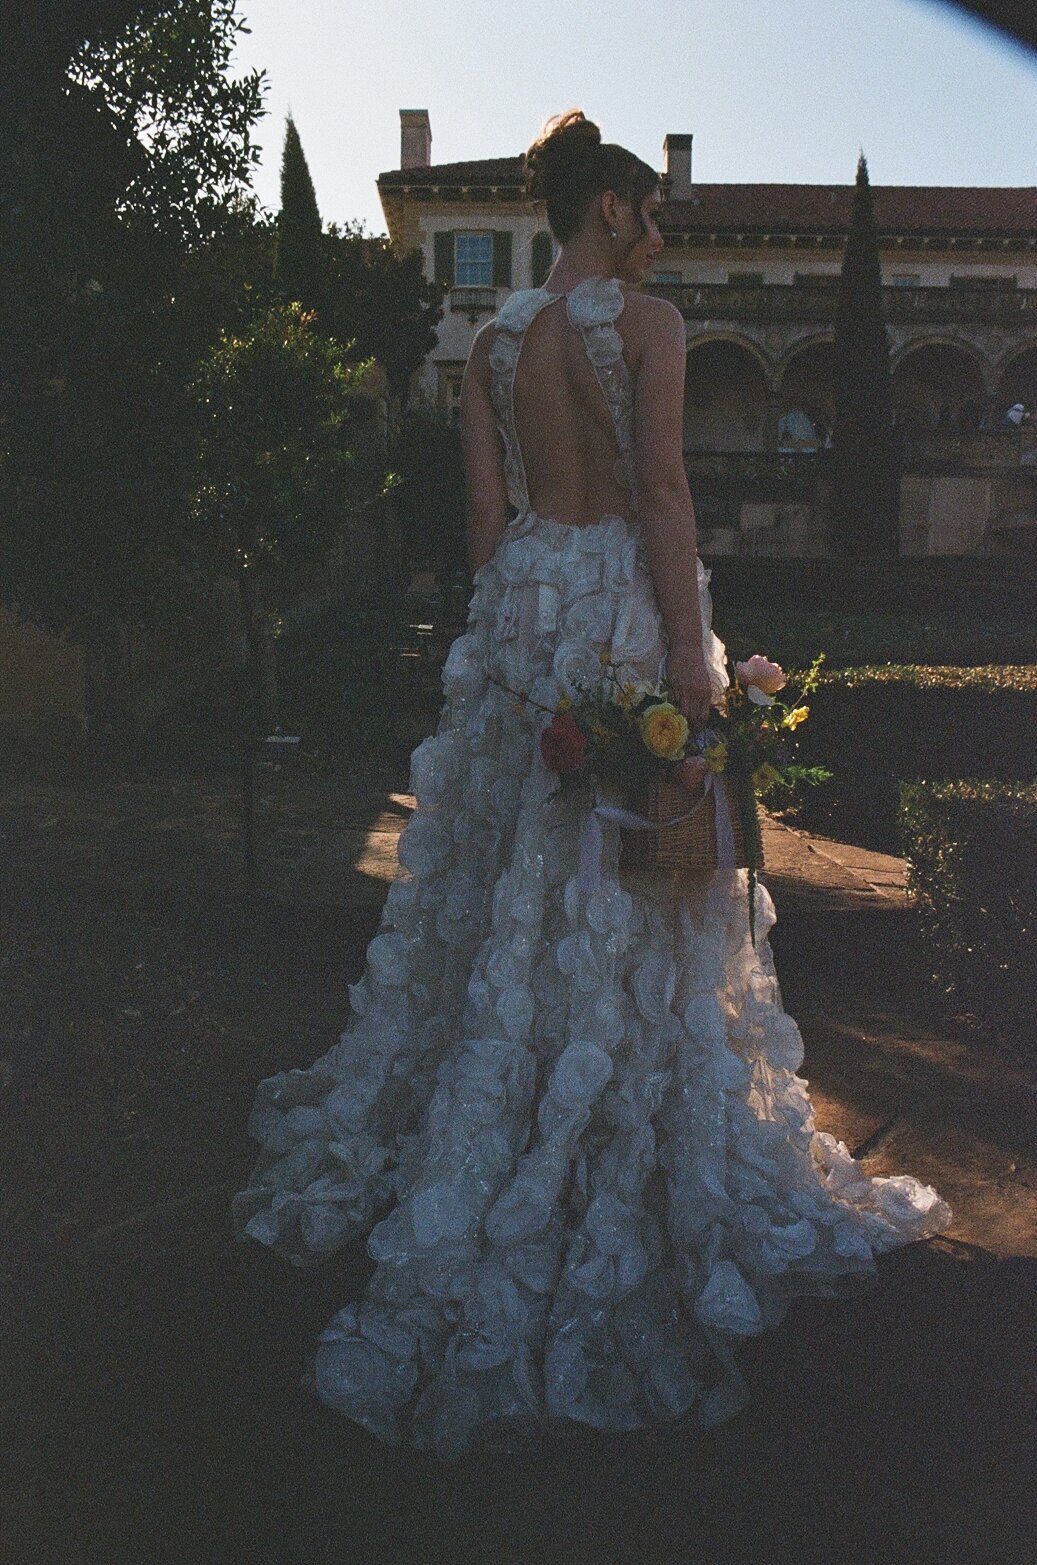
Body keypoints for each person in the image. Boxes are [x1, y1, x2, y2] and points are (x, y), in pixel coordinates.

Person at [230, 109, 953, 1459]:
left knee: (516, 863)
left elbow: (480, 520)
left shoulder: (492, 344)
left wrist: (511, 632)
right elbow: (665, 490)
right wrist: (690, 663)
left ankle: (485, 1111)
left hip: (521, 610)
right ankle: (614, 1109)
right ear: (610, 209)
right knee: (637, 865)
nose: (661, 229)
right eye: (648, 209)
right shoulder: (651, 323)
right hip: (620, 595)